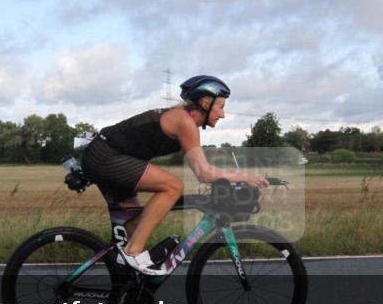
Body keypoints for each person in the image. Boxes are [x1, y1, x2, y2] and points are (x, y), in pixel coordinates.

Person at [81, 75, 268, 275]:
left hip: (110, 155)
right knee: (173, 186)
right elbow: (204, 173)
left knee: (134, 225)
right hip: (105, 156)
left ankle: (125, 287)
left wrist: (235, 175)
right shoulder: (184, 121)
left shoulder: (184, 120)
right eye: (220, 107)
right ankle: (132, 252)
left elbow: (204, 166)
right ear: (205, 103)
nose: (223, 115)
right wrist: (245, 177)